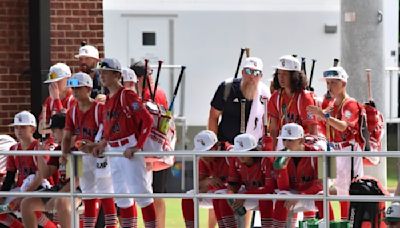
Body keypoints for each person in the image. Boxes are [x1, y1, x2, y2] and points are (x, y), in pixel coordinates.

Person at [91, 58, 156, 228]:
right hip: (114, 149)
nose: (102, 76)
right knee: (121, 196)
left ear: (117, 74)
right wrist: (102, 143)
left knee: (141, 194)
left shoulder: (126, 95)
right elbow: (109, 129)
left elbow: (147, 120)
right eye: (101, 73)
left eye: (106, 72)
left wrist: (137, 146)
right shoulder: (109, 98)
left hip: (128, 147)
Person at [61, 72, 118, 228]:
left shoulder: (100, 108)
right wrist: (64, 153)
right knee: (88, 194)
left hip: (100, 155)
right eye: (73, 88)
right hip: (81, 157)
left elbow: (107, 133)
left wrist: (92, 145)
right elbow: (66, 136)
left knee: (106, 194)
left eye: (78, 88)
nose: (75, 91)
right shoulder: (71, 110)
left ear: (88, 88)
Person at [307, 66, 363, 220]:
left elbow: (343, 126)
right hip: (333, 150)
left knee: (346, 191)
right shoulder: (333, 105)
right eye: (328, 82)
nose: (329, 86)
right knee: (324, 188)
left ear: (343, 83)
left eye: (333, 83)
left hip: (347, 151)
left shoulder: (350, 103)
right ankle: (330, 221)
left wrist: (322, 115)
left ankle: (346, 222)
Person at [131, 61, 173, 228]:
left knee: (154, 193)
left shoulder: (153, 94)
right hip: (152, 149)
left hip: (154, 148)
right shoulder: (145, 93)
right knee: (149, 193)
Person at [20, 113, 80, 228]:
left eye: (54, 130)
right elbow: (46, 173)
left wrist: (56, 196)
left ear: (66, 130)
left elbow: (77, 180)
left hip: (80, 190)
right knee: (26, 203)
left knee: (61, 202)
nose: (52, 134)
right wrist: (40, 154)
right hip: (61, 188)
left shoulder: (77, 148)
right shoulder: (58, 149)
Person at [0, 111, 56, 228]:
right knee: (1, 210)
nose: (19, 131)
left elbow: (41, 176)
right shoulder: (13, 149)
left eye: (23, 127)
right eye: (16, 128)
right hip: (21, 189)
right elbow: (10, 175)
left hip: (42, 188)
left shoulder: (39, 147)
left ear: (33, 129)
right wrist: (2, 195)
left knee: (29, 206)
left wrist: (24, 196)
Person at [272, 123, 334, 227]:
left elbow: (322, 184)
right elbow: (284, 188)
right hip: (295, 194)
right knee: (281, 197)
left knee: (323, 196)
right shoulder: (280, 155)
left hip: (310, 194)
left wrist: (300, 196)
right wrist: (283, 170)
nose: (286, 144)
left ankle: (330, 226)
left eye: (290, 140)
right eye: (284, 140)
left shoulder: (318, 153)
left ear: (301, 140)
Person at [214, 133, 275, 228]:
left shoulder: (265, 159)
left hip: (268, 195)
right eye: (238, 151)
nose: (240, 155)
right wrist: (231, 192)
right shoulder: (235, 159)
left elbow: (270, 188)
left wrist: (244, 195)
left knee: (265, 199)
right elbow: (233, 183)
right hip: (249, 193)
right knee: (223, 198)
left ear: (253, 150)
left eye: (244, 151)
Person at [208, 57, 270, 144]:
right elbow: (213, 116)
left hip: (252, 147)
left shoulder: (265, 94)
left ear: (261, 76)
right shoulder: (227, 87)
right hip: (227, 146)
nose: (252, 76)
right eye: (248, 71)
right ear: (242, 72)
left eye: (256, 73)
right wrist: (213, 144)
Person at [181, 130, 232, 228]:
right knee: (188, 197)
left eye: (206, 151)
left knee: (220, 195)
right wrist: (208, 181)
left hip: (236, 191)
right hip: (218, 192)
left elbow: (240, 178)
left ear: (216, 146)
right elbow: (198, 185)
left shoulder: (230, 153)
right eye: (201, 152)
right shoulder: (203, 158)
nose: (203, 155)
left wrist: (226, 187)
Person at [267, 55, 317, 150]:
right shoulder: (275, 97)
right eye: (279, 74)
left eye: (285, 74)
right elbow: (273, 130)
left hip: (301, 144)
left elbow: (313, 132)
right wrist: (272, 153)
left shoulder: (304, 98)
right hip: (283, 142)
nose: (281, 78)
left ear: (294, 76)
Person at [39, 63, 74, 135]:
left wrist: (56, 100)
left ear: (68, 79)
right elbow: (41, 129)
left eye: (58, 81)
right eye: (52, 82)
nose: (54, 85)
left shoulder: (74, 99)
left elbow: (67, 125)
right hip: (54, 142)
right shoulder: (49, 100)